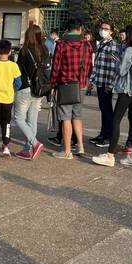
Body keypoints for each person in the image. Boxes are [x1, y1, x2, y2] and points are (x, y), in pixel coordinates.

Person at [92, 25, 132, 168]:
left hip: (127, 90)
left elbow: (122, 71)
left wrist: (117, 61)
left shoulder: (129, 50)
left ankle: (110, 155)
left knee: (116, 120)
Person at [49, 18, 93, 160]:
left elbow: (56, 67)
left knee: (66, 118)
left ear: (67, 30)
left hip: (65, 85)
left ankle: (67, 151)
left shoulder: (61, 44)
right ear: (80, 29)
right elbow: (90, 67)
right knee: (77, 116)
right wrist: (85, 80)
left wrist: (53, 85)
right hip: (81, 85)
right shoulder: (87, 45)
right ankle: (80, 146)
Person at [15, 25, 48, 160]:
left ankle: (34, 143)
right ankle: (28, 149)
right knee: (32, 120)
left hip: (25, 87)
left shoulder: (25, 51)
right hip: (39, 88)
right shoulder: (44, 49)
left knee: (19, 118)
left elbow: (18, 70)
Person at [88, 21, 119, 148]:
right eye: (102, 28)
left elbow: (114, 67)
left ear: (111, 31)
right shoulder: (101, 44)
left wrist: (110, 84)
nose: (103, 30)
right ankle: (103, 133)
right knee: (103, 109)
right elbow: (98, 65)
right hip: (100, 81)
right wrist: (92, 81)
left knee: (107, 110)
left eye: (106, 29)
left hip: (106, 83)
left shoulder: (113, 45)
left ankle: (108, 136)